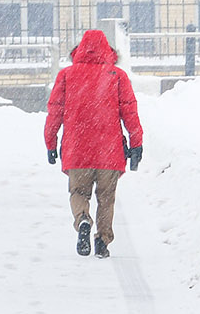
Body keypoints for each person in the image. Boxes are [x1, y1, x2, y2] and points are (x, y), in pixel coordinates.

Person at [43, 28, 143, 259]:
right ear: (108, 51)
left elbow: (54, 112)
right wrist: (136, 143)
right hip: (110, 151)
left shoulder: (67, 76)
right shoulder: (116, 76)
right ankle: (102, 241)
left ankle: (83, 220)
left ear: (79, 50)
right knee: (106, 198)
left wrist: (50, 142)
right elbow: (130, 112)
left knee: (79, 192)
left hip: (77, 150)